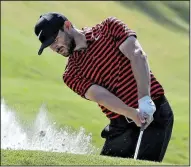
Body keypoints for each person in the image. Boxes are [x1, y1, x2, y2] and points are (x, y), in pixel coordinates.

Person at [34, 12, 174, 162]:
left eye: (55, 40)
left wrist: (144, 98)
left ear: (67, 26)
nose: (55, 48)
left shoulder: (109, 28)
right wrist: (132, 113)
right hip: (121, 125)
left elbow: (137, 55)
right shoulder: (71, 74)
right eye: (50, 45)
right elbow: (101, 96)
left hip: (154, 113)